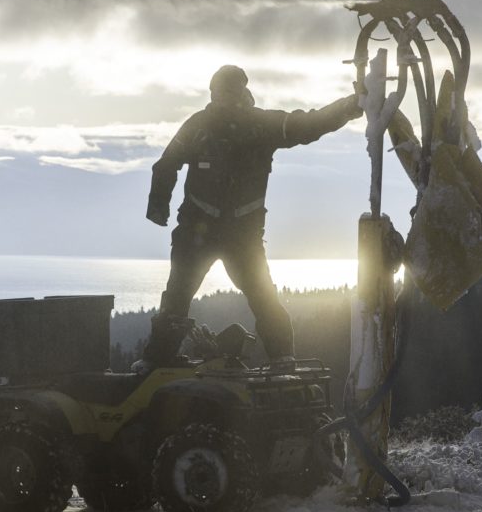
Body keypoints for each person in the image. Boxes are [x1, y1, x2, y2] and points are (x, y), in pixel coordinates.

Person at [141, 64, 361, 367]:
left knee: (253, 297)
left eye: (227, 92)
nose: (223, 99)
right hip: (207, 231)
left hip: (225, 234)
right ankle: (160, 362)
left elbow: (309, 124)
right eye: (219, 93)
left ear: (239, 91)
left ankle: (281, 359)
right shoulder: (207, 126)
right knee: (187, 297)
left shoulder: (251, 124)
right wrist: (158, 204)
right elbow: (166, 165)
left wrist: (348, 107)